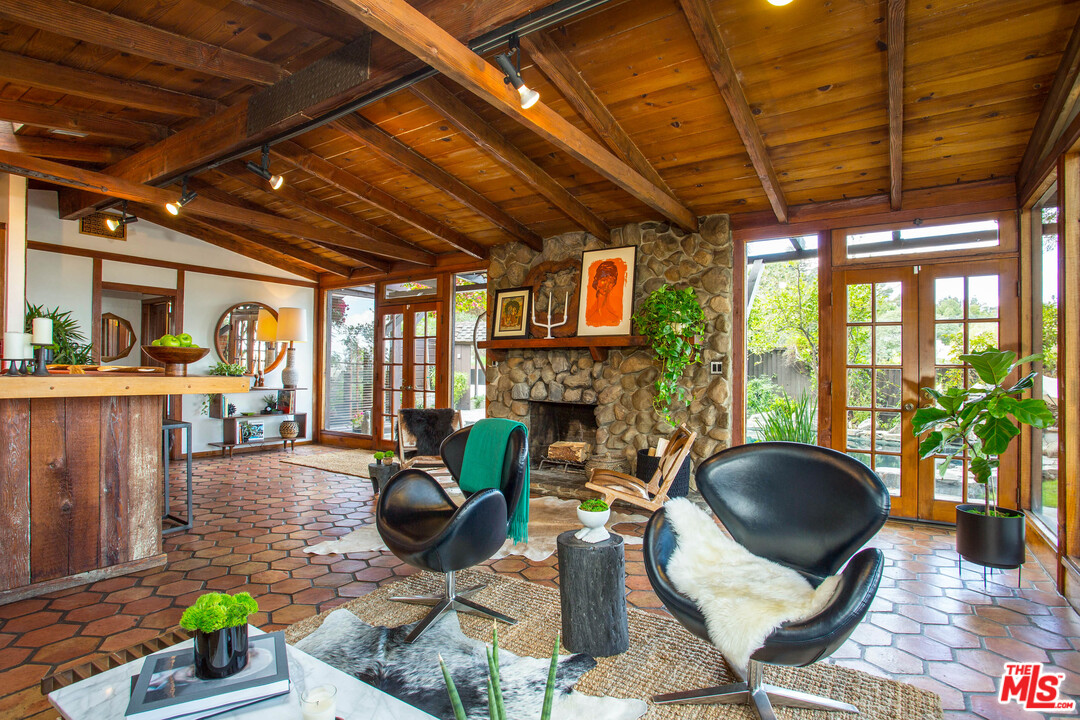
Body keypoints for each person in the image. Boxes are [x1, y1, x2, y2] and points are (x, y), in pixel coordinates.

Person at [585, 258, 624, 327]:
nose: (607, 285)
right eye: (604, 280)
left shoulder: (614, 319)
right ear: (597, 281)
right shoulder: (588, 319)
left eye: (611, 282)